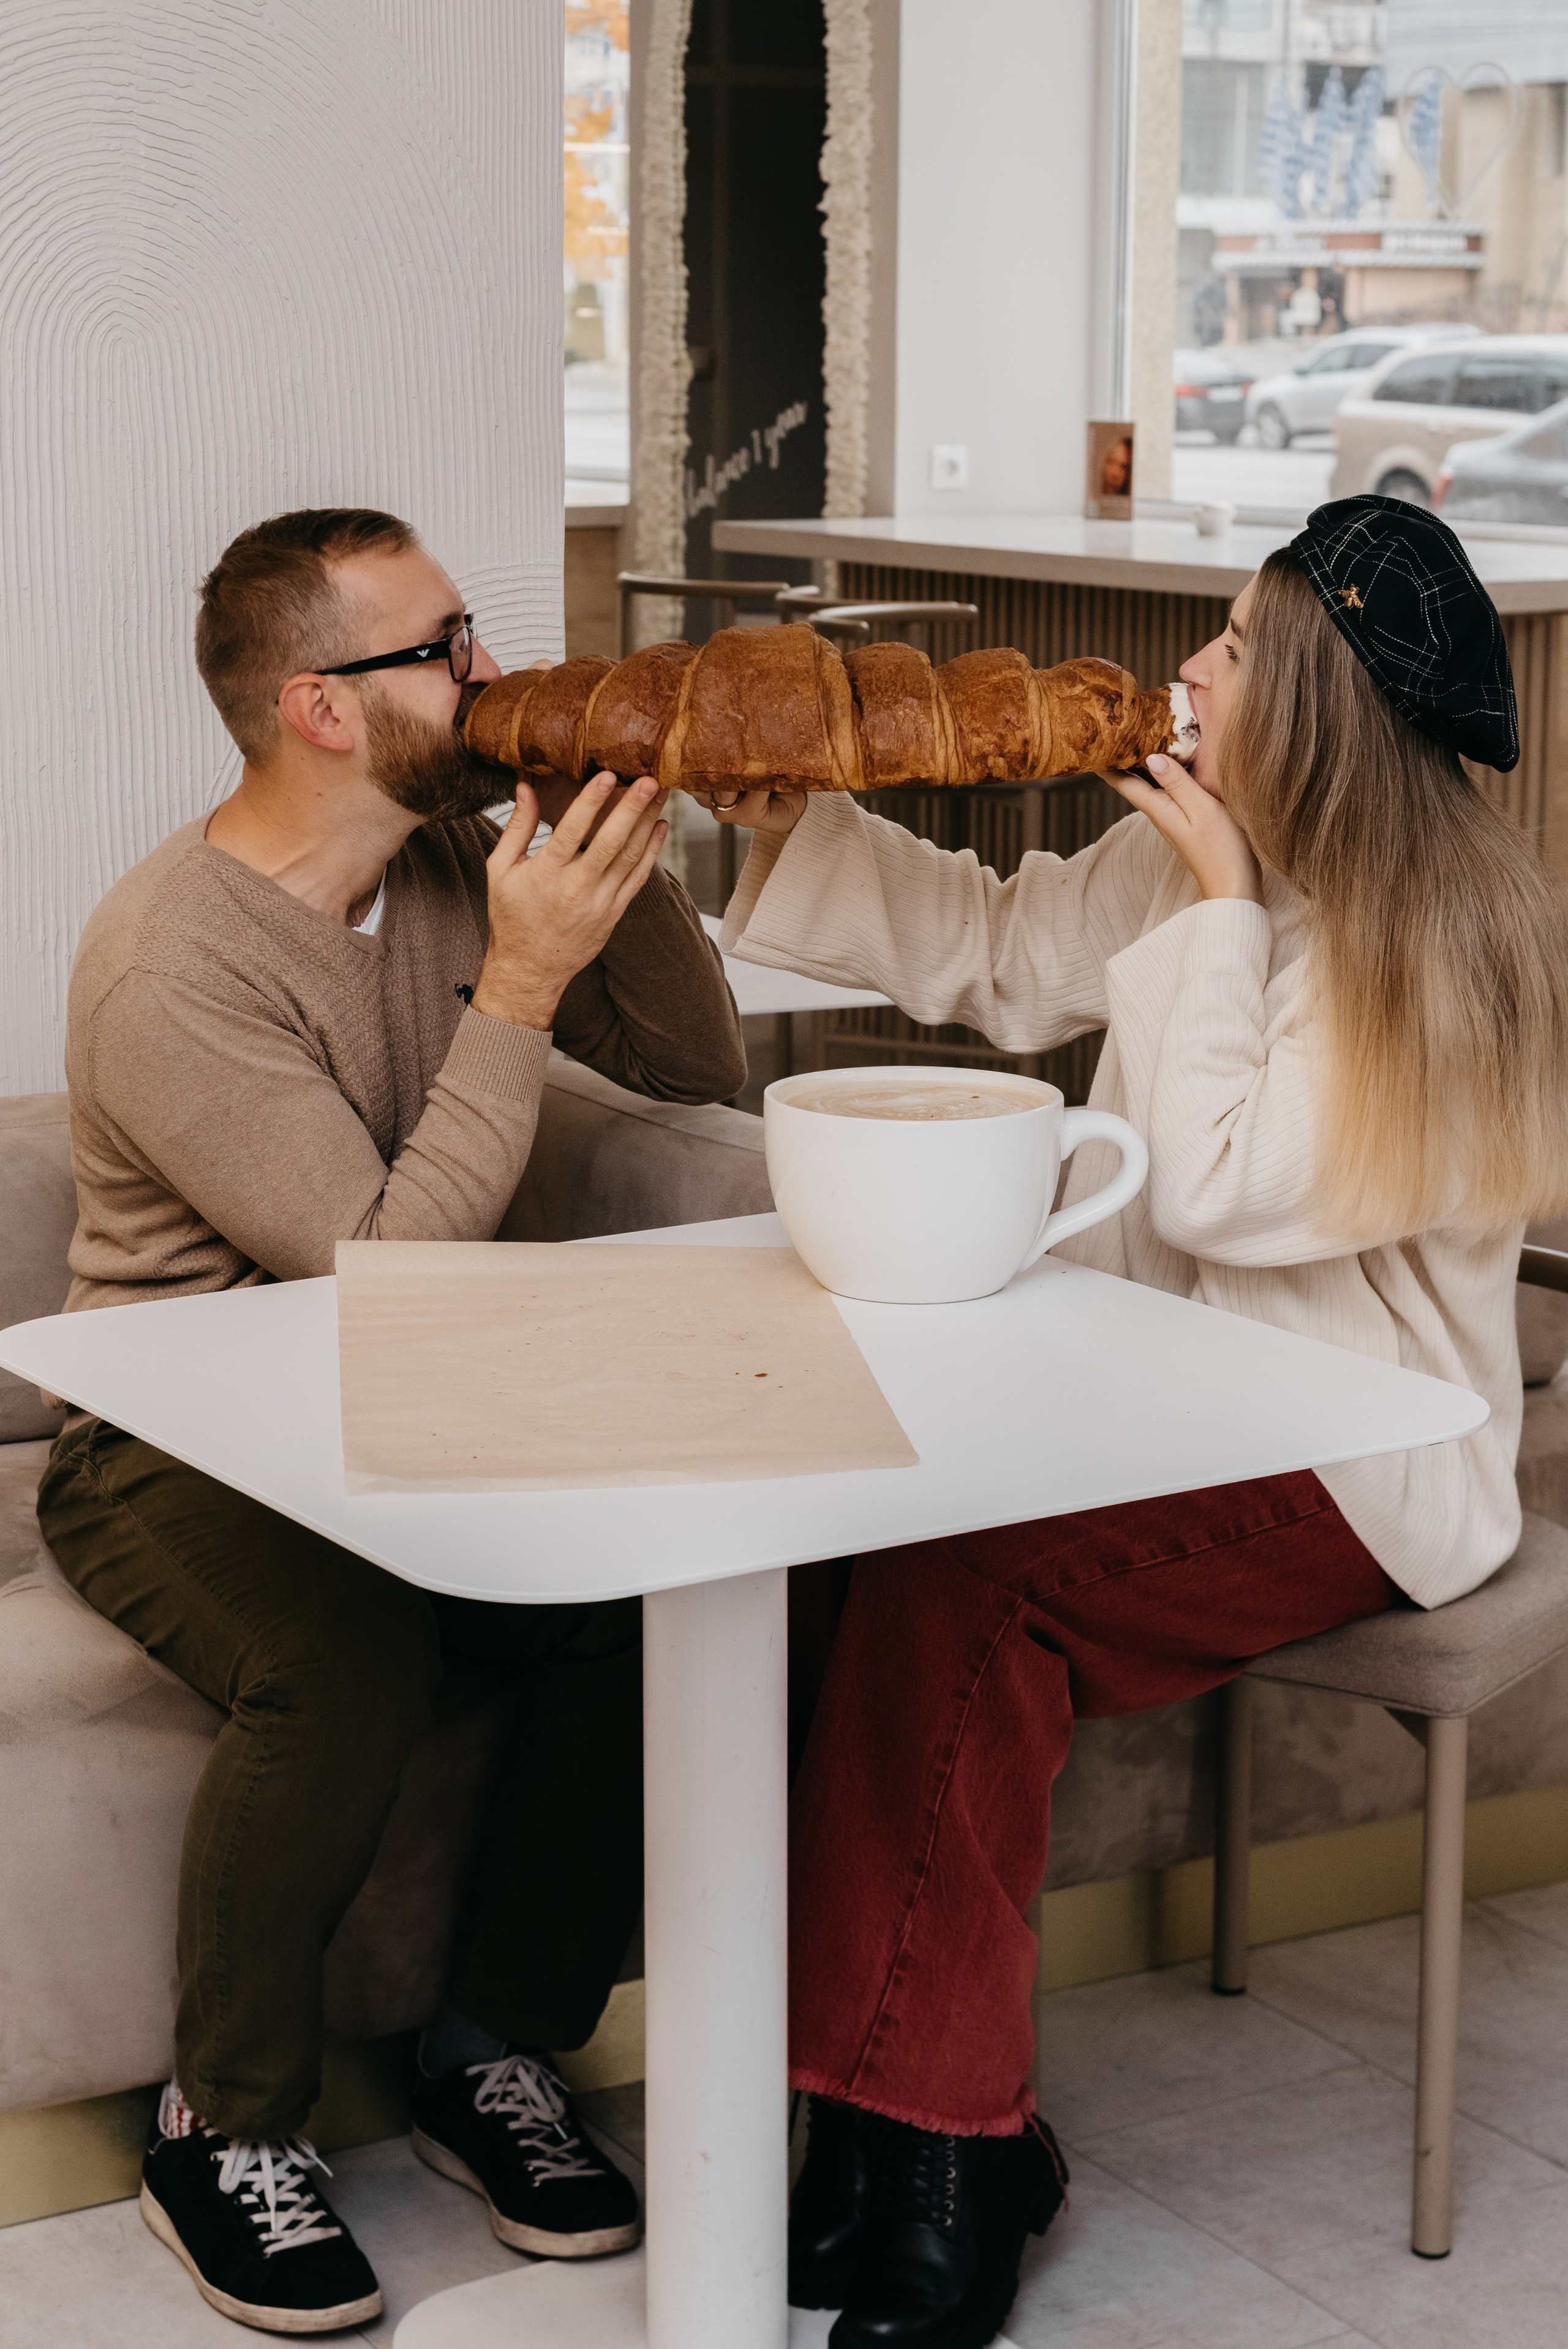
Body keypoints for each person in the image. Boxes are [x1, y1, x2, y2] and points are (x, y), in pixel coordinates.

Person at [699, 496, 1568, 2349]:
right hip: (1161, 1416)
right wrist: (797, 823)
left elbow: (1229, 1193)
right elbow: (1010, 953)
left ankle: (948, 2153)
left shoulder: (1471, 944)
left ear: (1319, 700)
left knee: (970, 1594)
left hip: (1362, 1447)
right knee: (854, 1552)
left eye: (1236, 649)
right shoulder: (1206, 860)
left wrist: (1232, 910)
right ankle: (864, 2128)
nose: (1188, 671)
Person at [38, 508, 745, 2334]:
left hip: (423, 1407)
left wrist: (615, 851)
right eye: (440, 648)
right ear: (318, 709)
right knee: (347, 1653)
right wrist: (517, 982)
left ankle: (492, 2050)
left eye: (474, 630)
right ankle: (225, 2126)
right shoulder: (167, 964)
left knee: (644, 1603)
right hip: (177, 1432)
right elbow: (380, 1274)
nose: (488, 671)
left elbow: (696, 1068)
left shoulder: (455, 853)